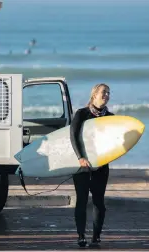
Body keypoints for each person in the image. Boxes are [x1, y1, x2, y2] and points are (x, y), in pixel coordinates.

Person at [70, 83, 114, 248]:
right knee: (81, 200)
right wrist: (80, 157)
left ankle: (96, 237)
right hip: (81, 165)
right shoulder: (82, 114)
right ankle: (81, 236)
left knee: (99, 203)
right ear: (94, 94)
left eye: (108, 93)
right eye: (104, 92)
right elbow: (73, 136)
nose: (107, 95)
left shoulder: (111, 117)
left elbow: (114, 142)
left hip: (101, 165)